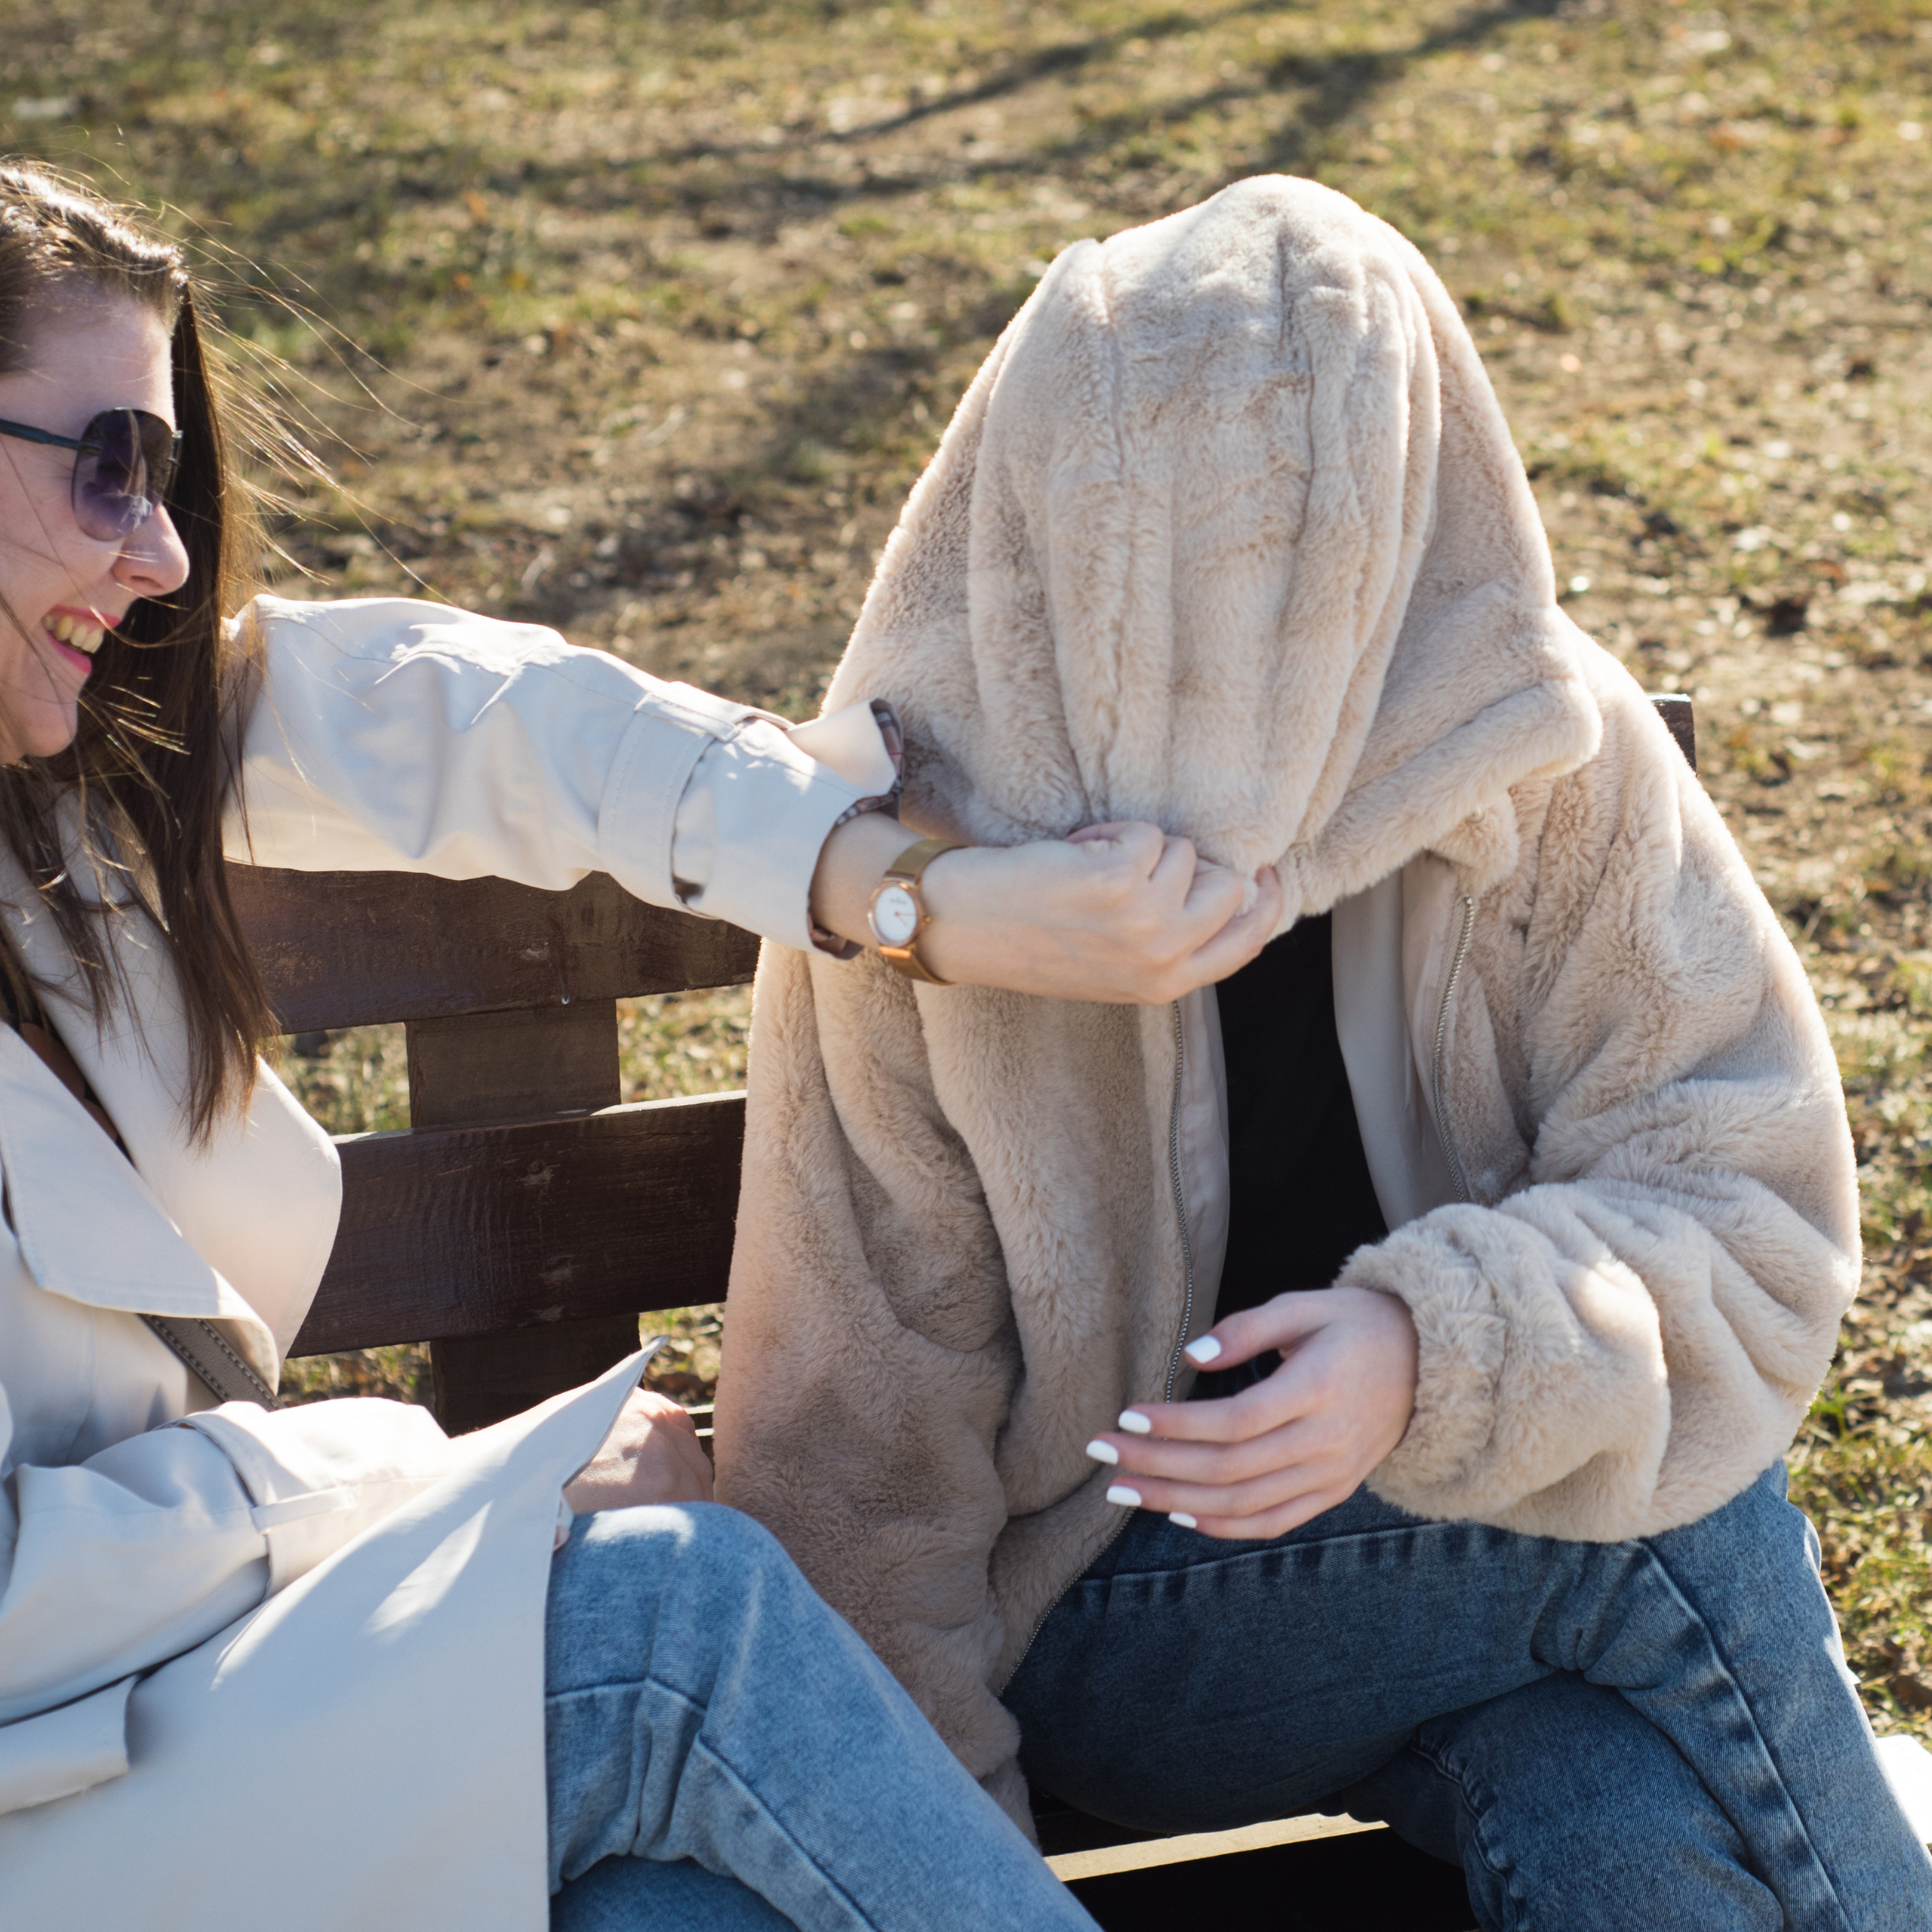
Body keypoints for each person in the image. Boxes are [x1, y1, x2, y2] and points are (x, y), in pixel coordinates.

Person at [0, 165, 1287, 1930]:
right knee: (660, 1620)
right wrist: (464, 1478)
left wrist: (895, 890)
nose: (156, 551)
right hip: (53, 1799)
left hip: (154, 1715)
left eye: (166, 474)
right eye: (107, 465)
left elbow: (487, 719)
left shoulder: (71, 776)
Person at [712, 174, 1932, 1929]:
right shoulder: (922, 858)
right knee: (1687, 1519)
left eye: (1292, 553)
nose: (1229, 639)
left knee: (1605, 1811)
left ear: (1402, 517)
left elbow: (1735, 1196)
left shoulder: (1535, 750)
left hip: (1454, 1582)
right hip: (1099, 1616)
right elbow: (852, 1458)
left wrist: (1420, 1353)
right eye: (1155, 554)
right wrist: (957, 1880)